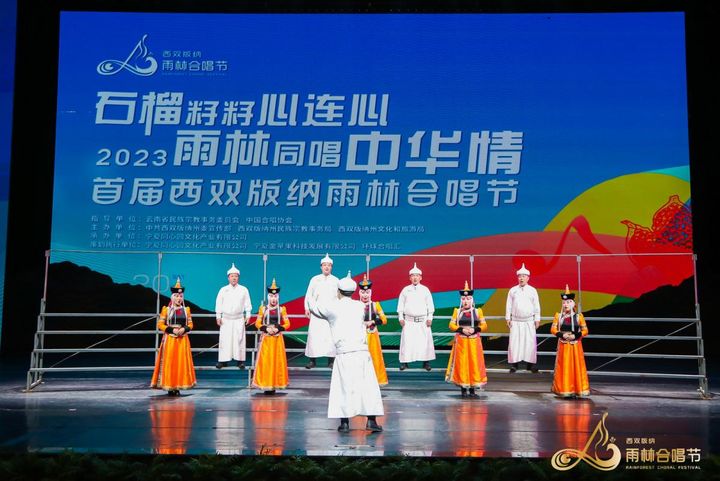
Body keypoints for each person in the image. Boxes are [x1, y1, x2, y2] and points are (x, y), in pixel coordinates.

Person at [306, 271, 384, 433]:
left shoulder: (333, 308)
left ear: (339, 291)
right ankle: (371, 421)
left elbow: (313, 307)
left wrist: (312, 289)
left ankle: (345, 423)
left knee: (343, 387)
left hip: (345, 354)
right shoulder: (360, 306)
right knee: (367, 387)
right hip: (361, 352)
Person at [150, 278, 196, 396]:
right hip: (170, 339)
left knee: (180, 363)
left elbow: (191, 324)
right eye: (177, 296)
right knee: (170, 362)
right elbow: (160, 324)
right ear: (172, 297)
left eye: (180, 296)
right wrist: (172, 330)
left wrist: (184, 329)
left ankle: (178, 386)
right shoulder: (166, 310)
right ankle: (170, 386)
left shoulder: (186, 310)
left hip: (182, 339)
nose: (179, 298)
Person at [445, 281, 488, 398]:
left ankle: (473, 389)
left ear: (471, 300)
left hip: (474, 342)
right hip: (462, 342)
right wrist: (461, 329)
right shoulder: (457, 311)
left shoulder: (478, 311)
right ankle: (463, 389)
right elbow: (451, 325)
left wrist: (475, 329)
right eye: (464, 299)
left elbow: (484, 326)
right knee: (462, 364)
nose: (465, 301)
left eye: (468, 299)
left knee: (474, 364)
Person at [251, 279, 290, 395]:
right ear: (269, 297)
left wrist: (278, 328)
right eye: (271, 297)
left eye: (275, 297)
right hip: (266, 339)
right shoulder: (263, 309)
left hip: (277, 339)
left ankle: (275, 384)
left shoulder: (282, 309)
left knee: (276, 362)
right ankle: (265, 384)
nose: (273, 299)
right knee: (266, 362)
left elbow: (288, 324)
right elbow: (257, 323)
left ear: (277, 297)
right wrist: (266, 328)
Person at [551, 285, 590, 399]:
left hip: (575, 346)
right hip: (563, 346)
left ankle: (578, 389)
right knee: (564, 368)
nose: (566, 304)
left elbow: (585, 331)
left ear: (573, 304)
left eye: (568, 302)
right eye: (564, 302)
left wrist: (575, 335)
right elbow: (553, 329)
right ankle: (566, 390)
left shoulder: (579, 316)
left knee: (576, 367)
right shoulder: (558, 316)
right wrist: (562, 334)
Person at [397, 263, 435, 371]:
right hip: (409, 321)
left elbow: (430, 305)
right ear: (410, 277)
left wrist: (430, 317)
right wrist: (400, 317)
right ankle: (404, 362)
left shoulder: (425, 290)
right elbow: (400, 304)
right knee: (407, 342)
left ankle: (426, 362)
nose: (415, 277)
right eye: (413, 275)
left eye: (417, 275)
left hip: (423, 321)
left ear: (420, 277)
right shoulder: (405, 290)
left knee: (424, 342)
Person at [303, 253, 338, 369]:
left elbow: (339, 297)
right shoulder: (315, 279)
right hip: (316, 312)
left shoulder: (336, 280)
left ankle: (331, 361)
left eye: (329, 265)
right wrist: (307, 308)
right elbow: (309, 295)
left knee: (330, 337)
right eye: (324, 265)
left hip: (330, 313)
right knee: (314, 336)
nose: (327, 267)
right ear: (321, 267)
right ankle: (312, 361)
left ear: (331, 267)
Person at [215, 263, 252, 369]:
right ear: (228, 277)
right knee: (225, 340)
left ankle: (240, 361)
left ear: (238, 277)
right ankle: (223, 361)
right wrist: (218, 316)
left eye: (236, 276)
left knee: (239, 339)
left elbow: (247, 303)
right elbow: (219, 303)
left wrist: (248, 315)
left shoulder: (244, 289)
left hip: (239, 318)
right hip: (226, 319)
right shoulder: (223, 290)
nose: (234, 278)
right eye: (232, 276)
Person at [505, 263, 541, 373]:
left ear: (528, 278)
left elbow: (536, 305)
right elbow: (508, 305)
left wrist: (537, 319)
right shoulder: (513, 290)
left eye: (523, 276)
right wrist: (508, 318)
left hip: (529, 321)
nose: (521, 278)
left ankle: (530, 365)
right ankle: (514, 365)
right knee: (514, 343)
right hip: (516, 321)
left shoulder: (532, 290)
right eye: (520, 276)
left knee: (530, 343)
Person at [358, 275, 389, 387]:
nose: (365, 295)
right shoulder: (355, 305)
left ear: (370, 293)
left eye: (367, 292)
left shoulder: (375, 305)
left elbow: (384, 320)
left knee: (375, 357)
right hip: (358, 336)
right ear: (359, 293)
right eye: (363, 292)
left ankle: (377, 380)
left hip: (372, 335)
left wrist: (373, 322)